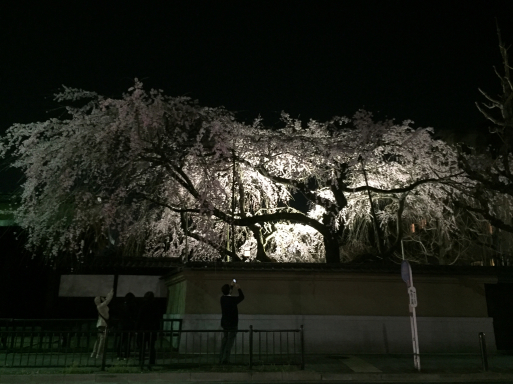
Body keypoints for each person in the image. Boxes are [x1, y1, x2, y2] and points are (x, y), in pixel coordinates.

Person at [219, 280, 244, 364]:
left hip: (225, 323)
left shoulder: (222, 299)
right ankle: (226, 359)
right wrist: (239, 288)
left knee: (224, 340)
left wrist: (231, 286)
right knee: (230, 342)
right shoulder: (232, 300)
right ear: (229, 291)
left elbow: (228, 294)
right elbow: (242, 297)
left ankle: (220, 357)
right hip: (233, 323)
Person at [136, 291, 161, 365]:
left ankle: (141, 361)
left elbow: (139, 319)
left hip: (143, 329)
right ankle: (152, 362)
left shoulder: (143, 306)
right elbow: (157, 319)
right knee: (151, 347)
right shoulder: (156, 307)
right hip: (152, 329)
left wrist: (137, 329)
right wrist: (157, 329)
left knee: (142, 347)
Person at [91, 288, 114, 359]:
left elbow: (105, 301)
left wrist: (101, 297)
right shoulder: (101, 306)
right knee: (102, 339)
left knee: (98, 339)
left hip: (101, 324)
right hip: (103, 324)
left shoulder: (100, 306)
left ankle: (94, 353)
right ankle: (99, 354)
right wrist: (111, 293)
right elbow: (107, 301)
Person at [116, 292, 137, 360]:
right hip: (129, 326)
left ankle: (119, 355)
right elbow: (134, 316)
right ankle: (126, 355)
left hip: (122, 325)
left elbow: (119, 316)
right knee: (127, 341)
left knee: (121, 340)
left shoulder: (122, 306)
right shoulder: (133, 306)